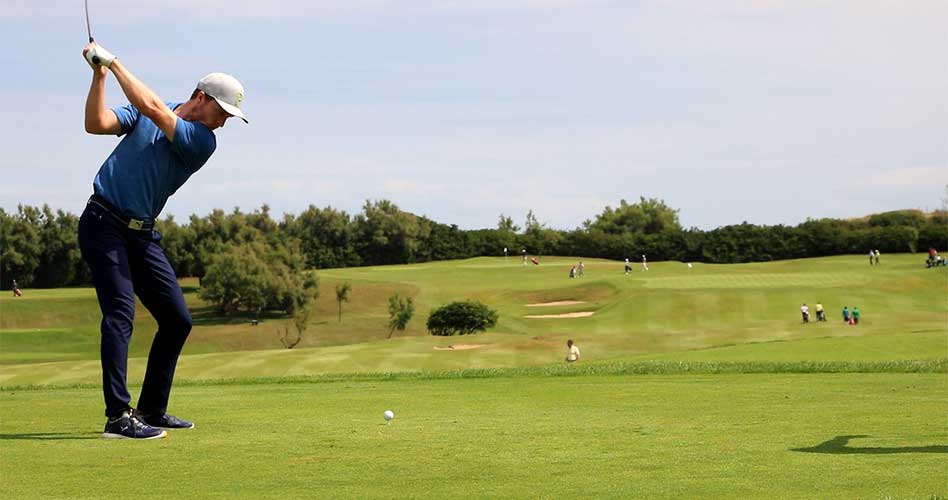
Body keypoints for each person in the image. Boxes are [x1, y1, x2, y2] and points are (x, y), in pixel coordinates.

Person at [79, 41, 248, 439]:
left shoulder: (202, 140)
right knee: (120, 314)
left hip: (141, 234)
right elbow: (97, 123)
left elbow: (153, 108)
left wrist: (114, 62)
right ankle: (118, 416)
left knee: (177, 320)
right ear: (201, 97)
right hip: (103, 222)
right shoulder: (150, 107)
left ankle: (152, 410)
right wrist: (99, 76)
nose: (223, 122)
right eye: (222, 112)